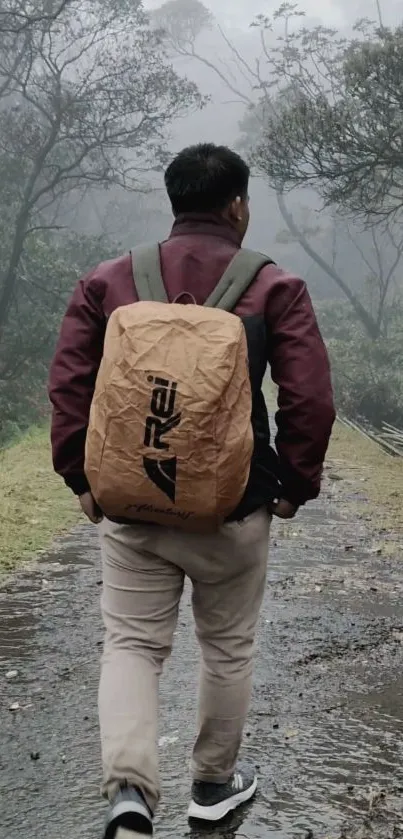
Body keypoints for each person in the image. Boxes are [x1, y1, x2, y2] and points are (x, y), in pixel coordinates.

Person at [49, 143, 335, 839]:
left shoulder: (109, 280)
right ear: (237, 204)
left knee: (131, 644)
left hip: (130, 504)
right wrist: (294, 483)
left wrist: (80, 476)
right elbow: (309, 400)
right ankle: (211, 783)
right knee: (227, 645)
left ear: (174, 201)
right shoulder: (274, 287)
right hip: (232, 505)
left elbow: (69, 384)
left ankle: (128, 793)